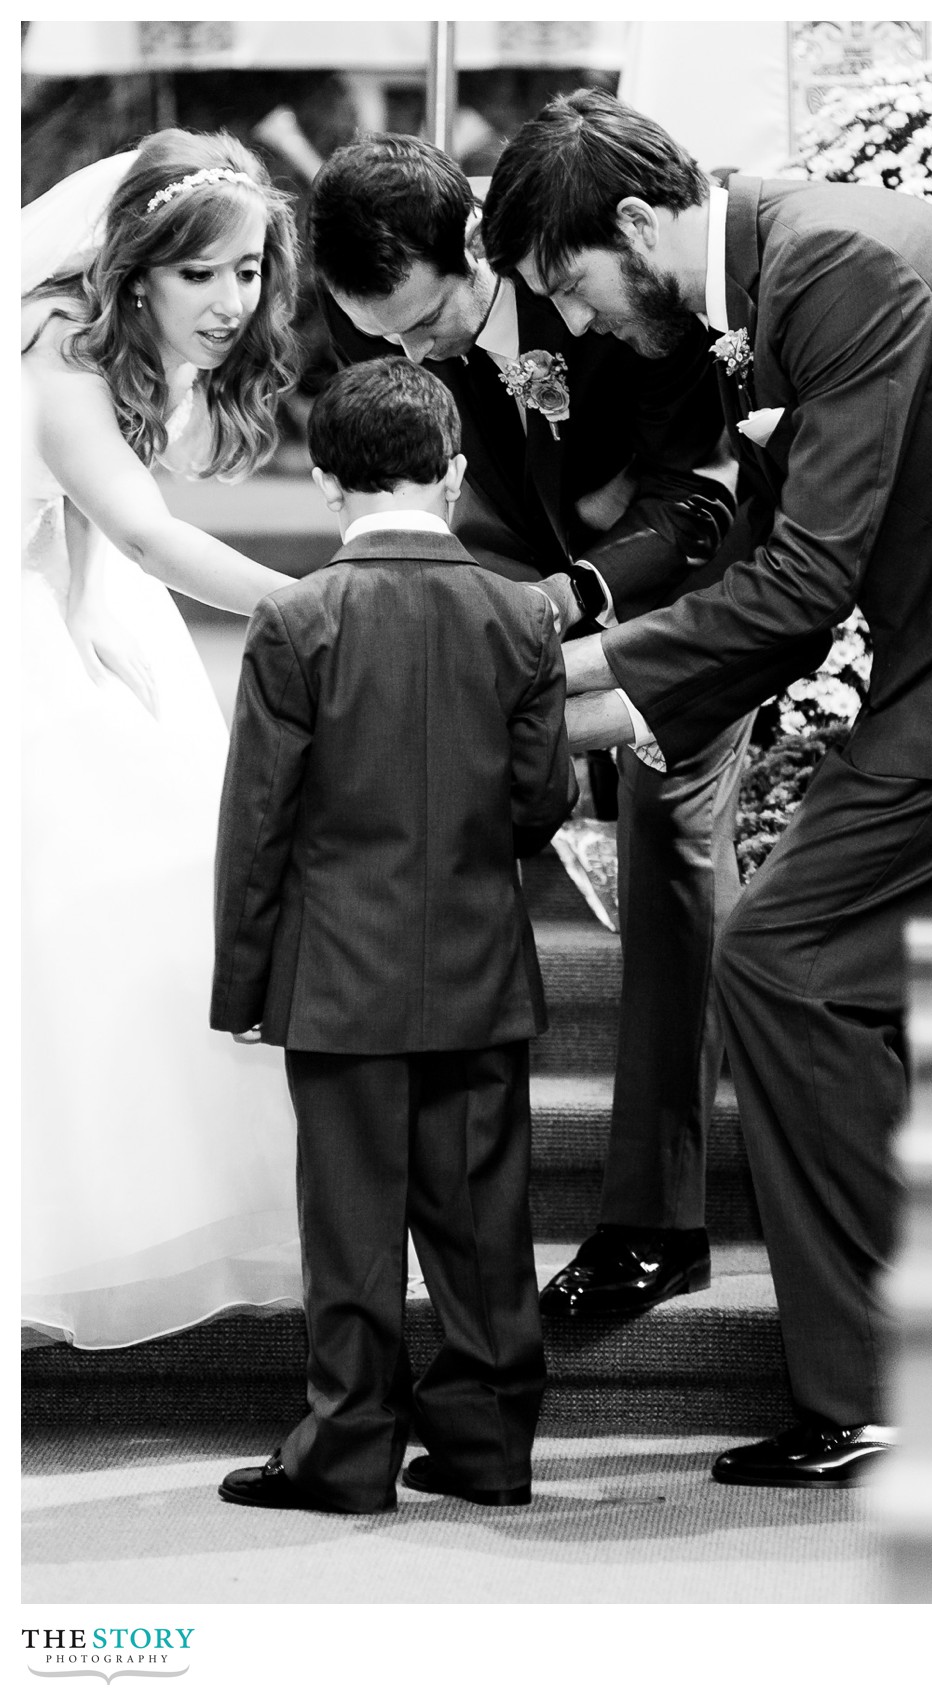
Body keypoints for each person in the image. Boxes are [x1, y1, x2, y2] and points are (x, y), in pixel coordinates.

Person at [481, 88, 932, 1486]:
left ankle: (897, 1384)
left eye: (571, 285)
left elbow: (807, 583)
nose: (577, 326)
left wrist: (529, 670)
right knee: (826, 972)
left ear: (633, 223)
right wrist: (578, 706)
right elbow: (775, 588)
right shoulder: (793, 262)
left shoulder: (836, 260)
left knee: (788, 961)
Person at [307, 132, 774, 1321]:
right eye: (384, 338)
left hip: (687, 598)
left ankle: (655, 1221)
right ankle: (451, 1216)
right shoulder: (415, 324)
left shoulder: (613, 292)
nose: (413, 354)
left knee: (670, 842)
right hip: (520, 592)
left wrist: (563, 603)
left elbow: (701, 497)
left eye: (423, 321)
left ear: (476, 247)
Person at [214, 359, 576, 1513]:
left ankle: (348, 1448)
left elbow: (257, 824)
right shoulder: (521, 614)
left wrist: (242, 984)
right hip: (476, 964)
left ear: (325, 480)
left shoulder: (294, 617)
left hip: (338, 976)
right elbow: (540, 805)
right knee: (481, 1219)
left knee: (352, 1221)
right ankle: (484, 1444)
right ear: (456, 473)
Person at [22, 131, 306, 1348]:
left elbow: (86, 536)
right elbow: (143, 532)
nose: (230, 303)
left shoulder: (137, 353)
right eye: (201, 274)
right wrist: (325, 606)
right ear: (136, 267)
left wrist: (102, 646)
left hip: (52, 602)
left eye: (248, 272)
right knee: (90, 885)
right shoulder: (57, 341)